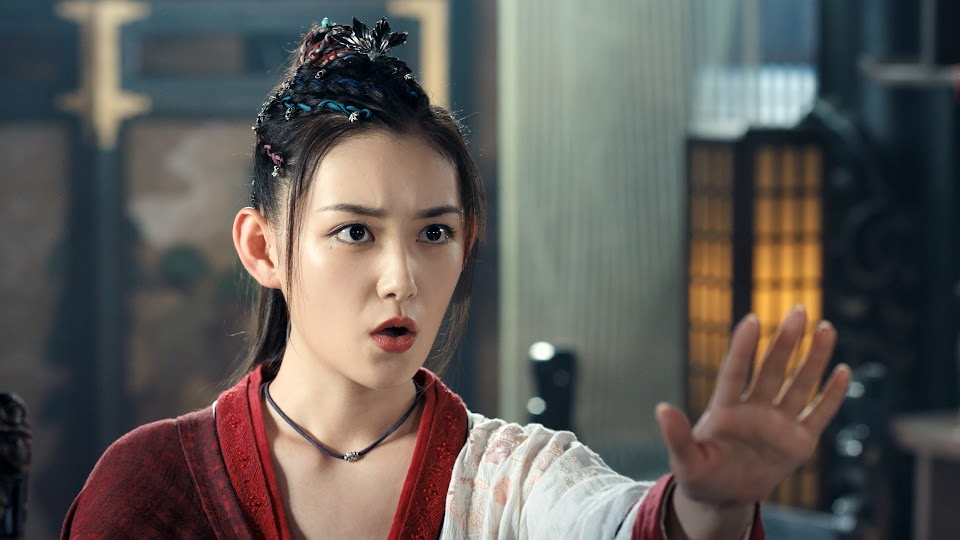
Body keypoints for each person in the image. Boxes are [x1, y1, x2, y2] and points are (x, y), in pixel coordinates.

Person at [62, 17, 850, 539]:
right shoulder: (150, 484)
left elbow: (611, 523)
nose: (401, 278)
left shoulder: (515, 481)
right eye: (355, 232)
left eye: (434, 233)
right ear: (263, 248)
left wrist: (707, 509)